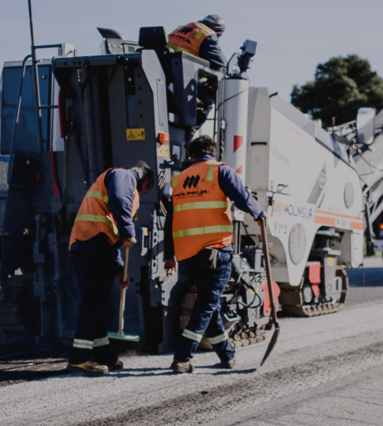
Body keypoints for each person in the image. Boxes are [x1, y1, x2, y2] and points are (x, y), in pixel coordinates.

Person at [165, 135, 265, 373]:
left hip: (188, 254)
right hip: (215, 250)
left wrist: (169, 255)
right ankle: (182, 357)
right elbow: (242, 197)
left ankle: (227, 355)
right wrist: (259, 212)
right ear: (213, 152)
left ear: (191, 155)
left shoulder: (178, 179)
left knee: (210, 306)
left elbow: (170, 220)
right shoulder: (220, 171)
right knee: (207, 304)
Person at [66, 161, 155, 376]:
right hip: (91, 246)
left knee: (97, 305)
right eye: (143, 193)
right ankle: (79, 358)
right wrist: (128, 231)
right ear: (144, 183)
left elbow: (109, 231)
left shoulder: (119, 182)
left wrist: (118, 269)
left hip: (93, 247)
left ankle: (104, 354)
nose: (140, 197)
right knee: (93, 304)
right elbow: (118, 202)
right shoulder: (124, 177)